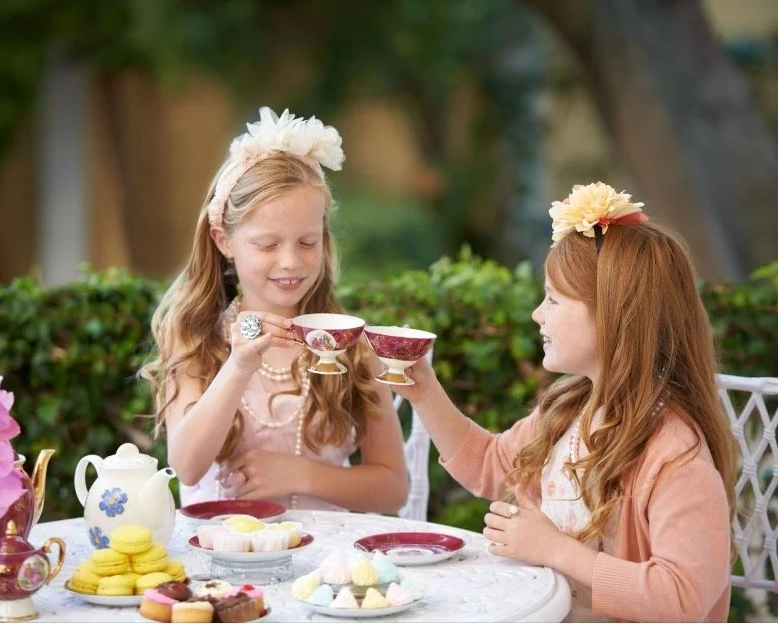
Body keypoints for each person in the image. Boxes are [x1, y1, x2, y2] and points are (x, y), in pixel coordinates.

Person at [393, 182, 737, 622]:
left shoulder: (675, 454)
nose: (538, 313)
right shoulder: (571, 412)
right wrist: (422, 388)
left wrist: (555, 550)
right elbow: (489, 464)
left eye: (553, 299)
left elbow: (682, 599)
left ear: (614, 318)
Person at [141, 107, 408, 513]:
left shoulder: (351, 344)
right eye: (267, 245)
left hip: (325, 564)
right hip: (222, 557)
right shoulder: (196, 335)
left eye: (307, 242)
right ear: (224, 240)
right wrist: (239, 365)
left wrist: (299, 474)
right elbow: (187, 466)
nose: (290, 262)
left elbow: (392, 487)